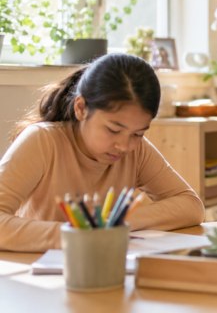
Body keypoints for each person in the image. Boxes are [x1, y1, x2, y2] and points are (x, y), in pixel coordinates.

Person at [0, 54, 205, 252]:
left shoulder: (137, 151)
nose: (124, 146)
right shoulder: (41, 141)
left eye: (137, 133)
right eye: (113, 130)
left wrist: (117, 221)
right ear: (81, 108)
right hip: (35, 271)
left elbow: (191, 206)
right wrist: (79, 236)